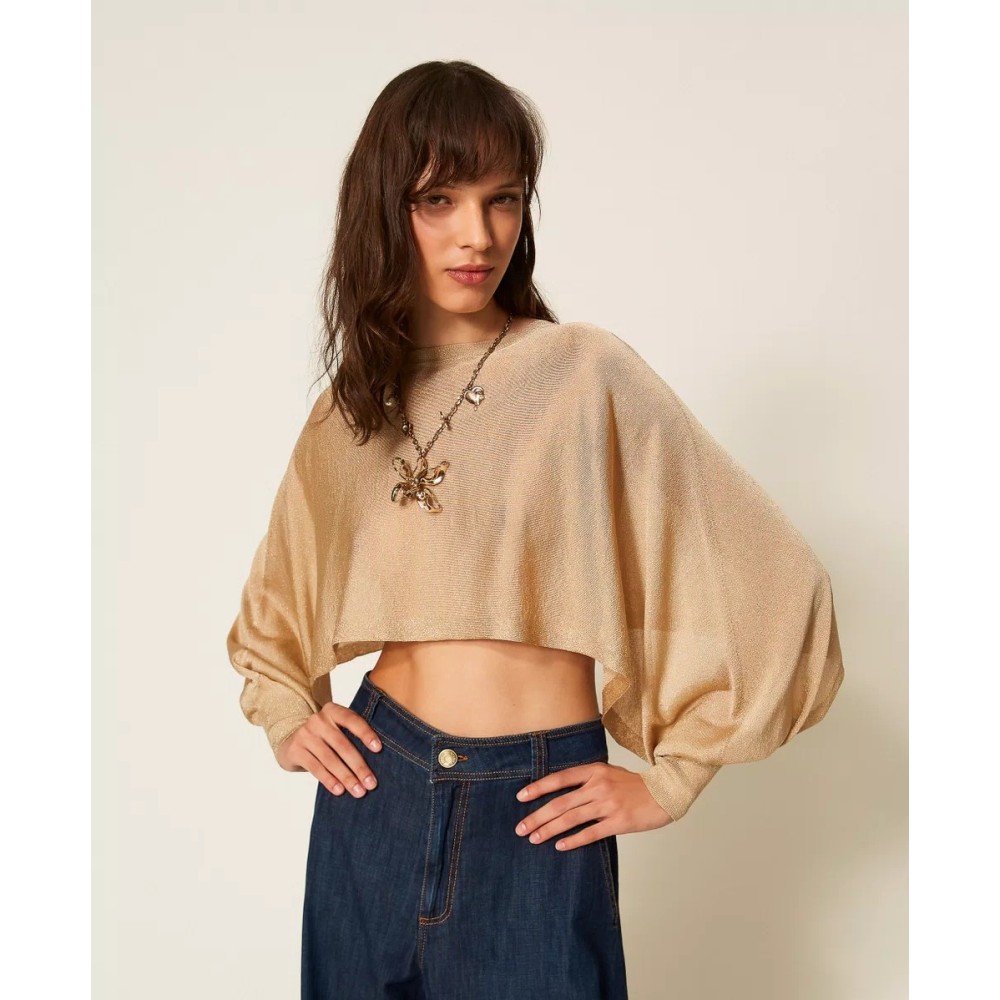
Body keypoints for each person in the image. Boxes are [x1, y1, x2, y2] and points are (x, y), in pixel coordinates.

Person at [225, 60, 845, 1000]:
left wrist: (673, 780)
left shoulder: (583, 374)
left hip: (536, 811)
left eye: (503, 199)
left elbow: (783, 585)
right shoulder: (349, 414)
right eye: (439, 199)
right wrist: (286, 716)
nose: (478, 235)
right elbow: (274, 615)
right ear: (384, 209)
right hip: (376, 799)